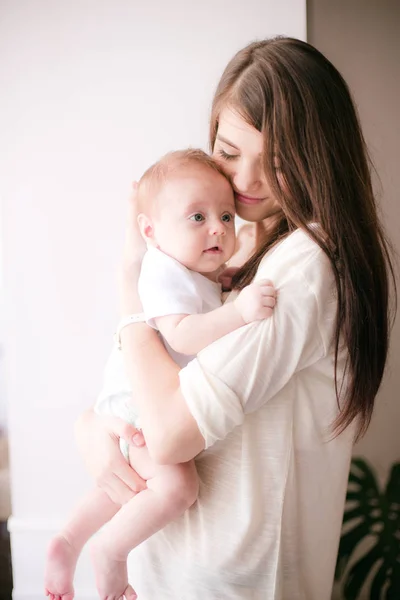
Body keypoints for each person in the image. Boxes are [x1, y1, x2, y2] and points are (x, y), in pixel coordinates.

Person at [74, 37, 396, 600]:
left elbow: (172, 434)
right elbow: (153, 389)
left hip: (229, 582)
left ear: (317, 156)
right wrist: (97, 431)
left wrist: (132, 286)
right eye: (228, 152)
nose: (245, 181)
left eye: (274, 163)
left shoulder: (306, 265)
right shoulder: (237, 252)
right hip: (172, 567)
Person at [44, 149, 276, 600]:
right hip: (139, 407)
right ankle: (110, 553)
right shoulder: (162, 272)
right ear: (149, 231)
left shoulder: (189, 270)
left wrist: (228, 280)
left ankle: (67, 541)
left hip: (131, 406)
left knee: (127, 488)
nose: (218, 228)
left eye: (227, 217)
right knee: (176, 486)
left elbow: (202, 295)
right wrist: (242, 313)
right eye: (197, 217)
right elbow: (185, 334)